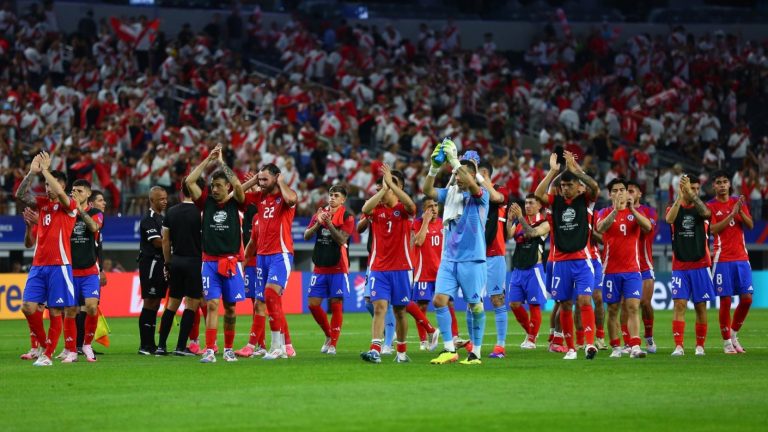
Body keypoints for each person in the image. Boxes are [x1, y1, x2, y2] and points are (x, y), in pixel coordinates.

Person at [424, 143, 490, 365]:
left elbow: (473, 185)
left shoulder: (482, 196)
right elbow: (427, 191)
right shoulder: (451, 193)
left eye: (463, 174)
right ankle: (449, 349)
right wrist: (433, 168)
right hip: (449, 259)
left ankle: (476, 352)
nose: (458, 177)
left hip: (473, 259)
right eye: (456, 174)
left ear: (473, 175)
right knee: (439, 300)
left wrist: (454, 161)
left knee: (475, 305)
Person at [534, 151, 601, 360]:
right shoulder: (555, 202)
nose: (565, 189)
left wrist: (575, 170)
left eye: (569, 185)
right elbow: (538, 194)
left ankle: (590, 344)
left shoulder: (586, 201)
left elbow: (595, 187)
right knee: (564, 303)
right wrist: (553, 171)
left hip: (582, 260)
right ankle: (571, 348)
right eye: (562, 186)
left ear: (577, 186)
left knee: (584, 299)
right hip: (561, 261)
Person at [186, 144, 247, 363]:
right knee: (211, 304)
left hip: (230, 263)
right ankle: (210, 349)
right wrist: (208, 160)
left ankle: (229, 349)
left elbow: (239, 185)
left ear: (227, 187)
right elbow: (189, 182)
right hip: (210, 262)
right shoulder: (205, 202)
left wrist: (222, 163)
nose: (214, 189)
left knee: (230, 308)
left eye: (218, 185)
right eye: (212, 185)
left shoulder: (237, 203)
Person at [16, 152, 79, 366]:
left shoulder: (69, 206)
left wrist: (45, 170)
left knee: (55, 311)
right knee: (27, 307)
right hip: (39, 265)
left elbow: (60, 192)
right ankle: (43, 345)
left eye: (50, 185)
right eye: (45, 185)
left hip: (59, 265)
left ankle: (48, 355)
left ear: (60, 185)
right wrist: (32, 173)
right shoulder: (43, 204)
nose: (47, 188)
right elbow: (21, 194)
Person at [359, 165, 417, 364]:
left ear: (396, 188)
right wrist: (384, 189)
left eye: (387, 187)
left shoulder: (403, 209)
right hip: (378, 268)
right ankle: (375, 349)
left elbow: (411, 206)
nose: (382, 191)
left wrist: (391, 184)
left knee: (400, 311)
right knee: (379, 307)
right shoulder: (376, 209)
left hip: (401, 268)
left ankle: (401, 352)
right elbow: (364, 209)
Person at [243, 163, 299, 360]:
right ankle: (284, 346)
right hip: (262, 257)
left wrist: (282, 182)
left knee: (270, 294)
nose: (262, 183)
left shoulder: (285, 197)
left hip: (280, 254)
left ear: (277, 178)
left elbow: (292, 199)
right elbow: (235, 196)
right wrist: (254, 180)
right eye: (261, 179)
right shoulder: (260, 198)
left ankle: (276, 346)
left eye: (266, 179)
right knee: (263, 300)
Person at [596, 178, 652, 359]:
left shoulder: (635, 213)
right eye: (616, 190)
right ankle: (615, 347)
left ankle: (635, 345)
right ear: (610, 194)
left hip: (632, 270)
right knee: (612, 309)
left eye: (623, 189)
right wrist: (615, 210)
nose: (620, 193)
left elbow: (648, 227)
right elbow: (600, 228)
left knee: (633, 306)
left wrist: (633, 209)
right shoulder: (604, 212)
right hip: (611, 271)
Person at [665, 175, 714, 356]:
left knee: (701, 306)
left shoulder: (702, 208)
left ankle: (700, 346)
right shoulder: (674, 207)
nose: (694, 191)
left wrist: (692, 196)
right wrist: (680, 195)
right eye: (690, 188)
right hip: (680, 265)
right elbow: (670, 219)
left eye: (696, 188)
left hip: (700, 264)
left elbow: (707, 214)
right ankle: (679, 346)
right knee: (679, 305)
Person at [304, 185, 355, 355]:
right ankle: (328, 334)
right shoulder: (320, 213)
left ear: (343, 199)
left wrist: (329, 224)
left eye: (336, 195)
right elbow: (306, 235)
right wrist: (318, 223)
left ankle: (333, 344)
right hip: (320, 265)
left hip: (338, 266)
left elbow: (341, 239)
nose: (332, 198)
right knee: (313, 303)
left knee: (336, 304)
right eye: (331, 195)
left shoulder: (348, 217)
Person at [158, 177, 205, 356]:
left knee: (172, 304)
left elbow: (165, 240)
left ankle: (161, 346)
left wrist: (168, 262)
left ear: (181, 191)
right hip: (194, 261)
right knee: (191, 304)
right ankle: (180, 347)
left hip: (176, 261)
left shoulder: (171, 212)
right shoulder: (200, 212)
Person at [708, 170, 753, 354]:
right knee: (725, 300)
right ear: (714, 186)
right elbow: (712, 229)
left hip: (742, 258)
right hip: (722, 258)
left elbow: (750, 225)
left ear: (729, 184)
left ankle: (733, 333)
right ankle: (727, 342)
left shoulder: (738, 203)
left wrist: (739, 211)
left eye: (724, 181)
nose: (722, 185)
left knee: (747, 299)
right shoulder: (710, 206)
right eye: (718, 182)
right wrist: (730, 215)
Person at [477, 160, 512, 359]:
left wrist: (482, 181)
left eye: (480, 174)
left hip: (495, 254)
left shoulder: (501, 191)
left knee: (497, 299)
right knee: (474, 300)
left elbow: (495, 197)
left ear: (486, 174)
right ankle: (475, 343)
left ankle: (500, 345)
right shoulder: (473, 195)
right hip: (474, 255)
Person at [68, 179, 105, 362]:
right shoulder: (67, 212)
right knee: (71, 311)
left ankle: (87, 344)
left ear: (88, 193)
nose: (75, 193)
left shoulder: (96, 213)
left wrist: (80, 210)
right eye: (73, 190)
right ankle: (71, 349)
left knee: (91, 307)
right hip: (69, 271)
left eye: (79, 191)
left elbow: (94, 227)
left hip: (90, 270)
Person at [507, 194, 550, 349]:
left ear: (539, 206)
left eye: (531, 203)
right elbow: (508, 235)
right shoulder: (519, 221)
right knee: (514, 303)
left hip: (534, 268)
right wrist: (511, 220)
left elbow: (532, 233)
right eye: (526, 203)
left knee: (534, 305)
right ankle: (531, 331)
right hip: (518, 268)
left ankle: (531, 340)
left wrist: (520, 217)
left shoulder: (545, 223)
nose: (527, 206)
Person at [234, 178, 268, 358]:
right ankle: (261, 344)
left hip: (260, 260)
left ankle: (285, 343)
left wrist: (256, 188)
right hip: (250, 261)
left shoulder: (261, 209)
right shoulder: (245, 209)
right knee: (255, 304)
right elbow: (239, 193)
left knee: (262, 303)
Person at [411, 197, 448, 350]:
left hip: (441, 272)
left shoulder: (444, 223)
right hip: (423, 272)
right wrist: (425, 221)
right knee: (421, 306)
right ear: (423, 209)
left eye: (435, 205)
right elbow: (418, 242)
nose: (433, 209)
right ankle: (423, 341)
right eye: (429, 206)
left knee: (447, 304)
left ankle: (450, 337)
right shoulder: (418, 223)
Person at [137, 186, 168, 355]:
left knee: (156, 303)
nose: (164, 201)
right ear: (152, 200)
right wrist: (173, 244)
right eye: (160, 199)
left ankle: (151, 344)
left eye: (165, 198)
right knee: (150, 302)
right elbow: (157, 242)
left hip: (160, 264)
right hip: (151, 264)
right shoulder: (148, 219)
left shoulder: (162, 218)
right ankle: (144, 345)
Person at [627, 181, 658, 353]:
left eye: (632, 191)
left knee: (645, 303)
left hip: (644, 264)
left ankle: (649, 337)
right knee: (627, 305)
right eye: (627, 191)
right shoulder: (618, 211)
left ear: (639, 194)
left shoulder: (649, 212)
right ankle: (629, 341)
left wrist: (632, 210)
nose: (628, 194)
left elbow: (648, 229)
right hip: (626, 266)